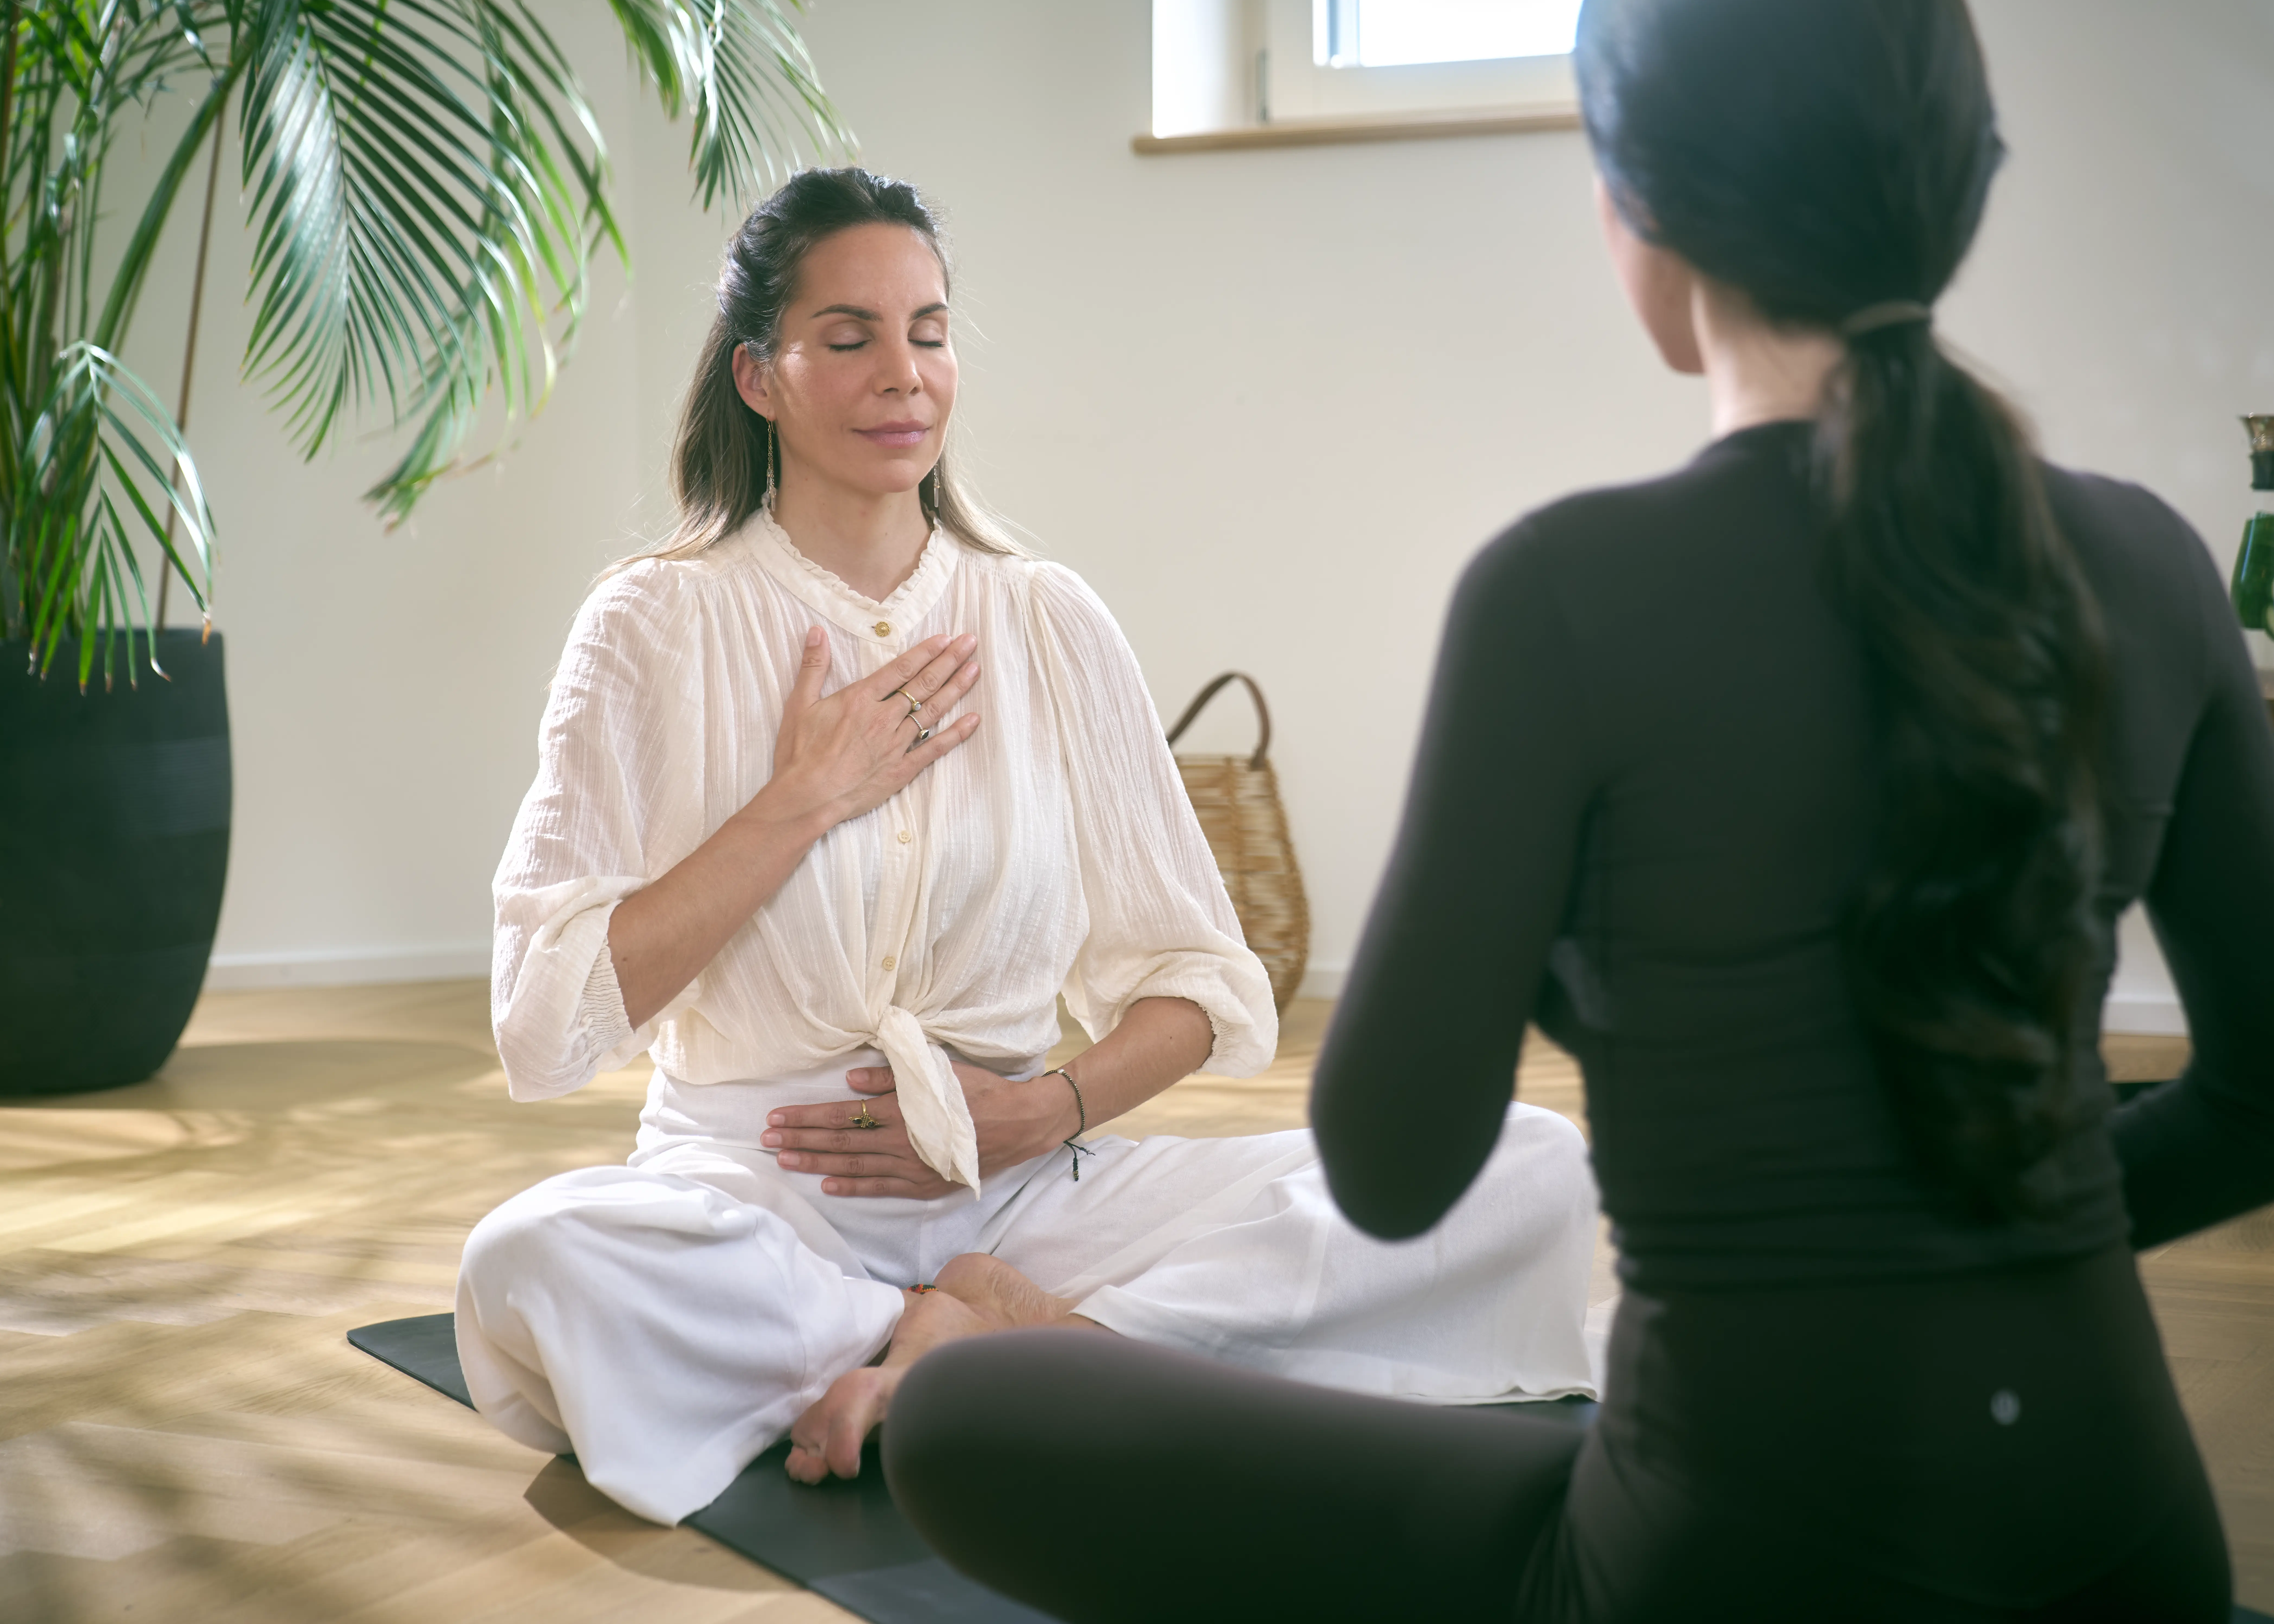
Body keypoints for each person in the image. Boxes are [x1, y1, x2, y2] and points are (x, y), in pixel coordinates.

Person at [880, 0, 2274, 1617]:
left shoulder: (1564, 593)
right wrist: (2010, 1233)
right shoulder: (2154, 565)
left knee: (959, 1409)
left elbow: (1388, 1164)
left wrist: (1578, 971)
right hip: (2126, 1548)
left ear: (1637, 210)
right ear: (1958, 185)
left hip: (1724, 1562)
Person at [454, 167, 1605, 1528]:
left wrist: (1038, 1114)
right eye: (850, 338)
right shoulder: (652, 624)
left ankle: (987, 1343)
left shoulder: (1046, 619)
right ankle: (953, 1340)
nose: (905, 375)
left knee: (1529, 1168)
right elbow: (543, 1027)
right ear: (761, 379)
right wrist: (802, 800)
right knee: (536, 1257)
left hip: (1019, 1189)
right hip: (758, 1200)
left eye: (929, 332)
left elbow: (1202, 982)